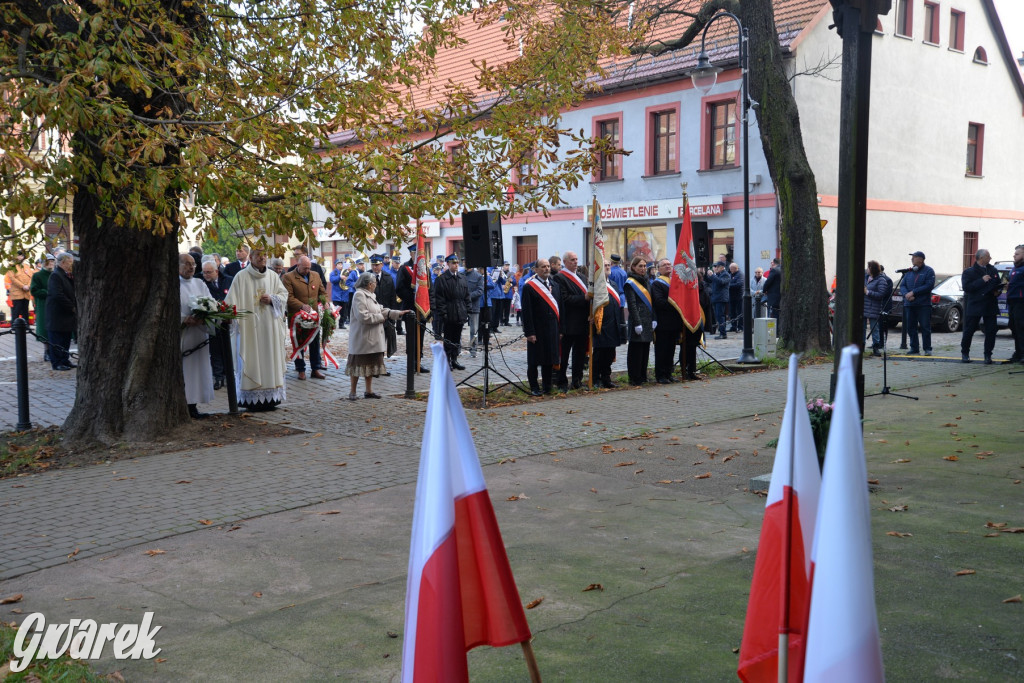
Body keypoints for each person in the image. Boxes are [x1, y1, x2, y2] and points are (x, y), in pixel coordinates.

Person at [225, 247, 288, 411]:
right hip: (249, 329)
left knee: (269, 359)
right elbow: (231, 301)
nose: (262, 258)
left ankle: (271, 399)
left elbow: (284, 295)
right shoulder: (241, 277)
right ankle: (250, 399)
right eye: (259, 255)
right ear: (251, 257)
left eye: (265, 255)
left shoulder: (273, 276)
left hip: (270, 330)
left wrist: (273, 299)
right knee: (252, 358)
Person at [346, 272, 405, 400]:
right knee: (357, 365)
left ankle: (369, 391)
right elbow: (363, 316)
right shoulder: (359, 295)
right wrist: (381, 318)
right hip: (362, 338)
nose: (376, 285)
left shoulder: (371, 295)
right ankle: (353, 392)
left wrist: (397, 313)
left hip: (372, 338)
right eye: (374, 283)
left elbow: (380, 309)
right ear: (369, 284)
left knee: (371, 365)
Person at [179, 254, 215, 418]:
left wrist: (206, 316)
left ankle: (193, 405)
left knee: (198, 372)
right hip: (184, 335)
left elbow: (210, 302)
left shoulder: (200, 283)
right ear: (178, 265)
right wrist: (184, 319)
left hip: (200, 333)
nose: (191, 267)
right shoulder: (173, 284)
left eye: (193, 264)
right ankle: (184, 405)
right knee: (186, 372)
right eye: (187, 264)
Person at [282, 255, 327, 380]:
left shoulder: (315, 275)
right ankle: (301, 370)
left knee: (314, 342)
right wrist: (302, 306)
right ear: (298, 266)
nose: (307, 271)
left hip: (313, 316)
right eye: (305, 268)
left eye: (309, 268)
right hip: (297, 315)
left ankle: (315, 369)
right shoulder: (288, 277)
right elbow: (288, 297)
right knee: (298, 343)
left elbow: (322, 292)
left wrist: (326, 302)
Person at [521, 258, 561, 395]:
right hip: (537, 329)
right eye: (543, 267)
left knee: (549, 359)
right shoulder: (529, 287)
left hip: (552, 328)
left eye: (548, 266)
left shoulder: (555, 286)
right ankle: (534, 387)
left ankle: (547, 386)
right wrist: (529, 332)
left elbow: (560, 309)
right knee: (534, 360)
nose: (547, 269)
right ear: (536, 269)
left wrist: (560, 329)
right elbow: (527, 312)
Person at [554, 251, 592, 391]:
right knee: (564, 355)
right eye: (572, 260)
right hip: (568, 322)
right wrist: (584, 298)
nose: (575, 262)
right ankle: (562, 382)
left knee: (580, 355)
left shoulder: (582, 277)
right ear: (565, 262)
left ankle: (577, 380)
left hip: (583, 322)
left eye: (576, 259)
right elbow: (564, 299)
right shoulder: (560, 278)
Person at [959, 249, 1002, 364]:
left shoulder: (993, 269)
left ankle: (988, 355)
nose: (990, 258)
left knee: (991, 331)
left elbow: (998, 283)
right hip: (975, 304)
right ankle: (965, 353)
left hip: (990, 304)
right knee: (969, 330)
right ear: (981, 258)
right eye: (988, 256)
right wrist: (981, 281)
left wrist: (998, 291)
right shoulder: (969, 272)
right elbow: (967, 288)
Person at [395, 245, 430, 373]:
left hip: (422, 309)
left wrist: (428, 306)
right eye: (416, 253)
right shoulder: (404, 268)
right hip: (410, 308)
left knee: (420, 336)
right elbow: (399, 288)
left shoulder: (424, 269)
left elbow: (428, 289)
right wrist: (413, 298)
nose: (418, 255)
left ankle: (418, 361)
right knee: (411, 337)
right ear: (411, 254)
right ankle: (412, 362)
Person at [433, 254, 471, 370]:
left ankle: (454, 359)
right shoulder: (442, 279)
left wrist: (468, 310)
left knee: (457, 337)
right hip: (449, 311)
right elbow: (439, 298)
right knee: (448, 338)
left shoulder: (462, 278)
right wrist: (443, 313)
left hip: (460, 311)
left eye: (457, 263)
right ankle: (447, 360)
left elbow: (467, 296)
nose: (456, 265)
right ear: (448, 264)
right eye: (453, 263)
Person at [202, 259, 234, 389]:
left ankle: (229, 375)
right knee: (215, 351)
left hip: (228, 321)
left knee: (228, 350)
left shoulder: (228, 280)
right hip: (212, 322)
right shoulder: (202, 283)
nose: (206, 275)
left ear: (216, 271)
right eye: (204, 272)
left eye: (209, 272)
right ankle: (218, 377)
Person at [623, 255, 654, 385]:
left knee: (645, 348)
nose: (643, 268)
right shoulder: (630, 283)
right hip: (638, 319)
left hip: (648, 318)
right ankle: (634, 377)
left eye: (644, 266)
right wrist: (637, 322)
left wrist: (654, 318)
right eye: (640, 266)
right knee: (636, 350)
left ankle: (642, 375)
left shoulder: (646, 280)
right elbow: (632, 304)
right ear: (633, 267)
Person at [651, 258, 682, 384]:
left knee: (671, 349)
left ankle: (669, 373)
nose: (668, 266)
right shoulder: (656, 284)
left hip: (674, 322)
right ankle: (661, 375)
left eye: (669, 264)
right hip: (663, 323)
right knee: (662, 350)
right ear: (658, 269)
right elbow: (659, 302)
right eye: (664, 265)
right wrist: (676, 304)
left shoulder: (674, 282)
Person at [899, 250, 935, 356]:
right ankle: (914, 348)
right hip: (909, 304)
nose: (912, 259)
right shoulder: (909, 271)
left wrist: (913, 292)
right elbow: (902, 285)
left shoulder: (929, 271)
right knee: (911, 327)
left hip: (923, 305)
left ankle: (927, 348)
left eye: (914, 257)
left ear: (920, 259)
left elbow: (929, 285)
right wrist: (906, 294)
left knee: (925, 327)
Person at [591, 278, 625, 389]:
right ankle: (595, 379)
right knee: (599, 354)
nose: (607, 267)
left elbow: (617, 303)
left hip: (613, 322)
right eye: (605, 265)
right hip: (601, 323)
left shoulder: (613, 284)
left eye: (608, 265)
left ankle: (606, 378)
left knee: (610, 354)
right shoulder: (595, 284)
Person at [46, 252, 76, 371]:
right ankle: (57, 362)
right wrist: (71, 306)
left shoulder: (67, 275)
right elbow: (57, 294)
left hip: (66, 315)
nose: (71, 265)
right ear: (63, 262)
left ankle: (64, 359)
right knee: (57, 339)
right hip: (57, 314)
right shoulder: (56, 275)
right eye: (69, 262)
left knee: (65, 339)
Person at [370, 255, 398, 362]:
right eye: (373, 265)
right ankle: (374, 364)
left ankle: (380, 364)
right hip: (373, 313)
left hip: (385, 314)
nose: (375, 267)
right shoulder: (367, 276)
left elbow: (392, 297)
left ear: (382, 265)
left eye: (377, 265)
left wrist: (392, 316)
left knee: (383, 340)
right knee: (374, 341)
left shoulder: (388, 277)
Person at [863, 260, 892, 357]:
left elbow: (881, 294)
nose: (867, 269)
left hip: (874, 308)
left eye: (868, 267)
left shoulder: (881, 280)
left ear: (872, 269)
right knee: (862, 328)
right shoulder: (866, 278)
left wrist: (868, 292)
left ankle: (876, 347)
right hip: (864, 307)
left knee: (874, 328)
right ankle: (861, 346)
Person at [30, 254, 55, 362]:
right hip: (44, 304)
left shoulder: (55, 274)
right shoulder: (37, 276)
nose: (50, 263)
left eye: (52, 261)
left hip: (56, 304)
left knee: (56, 328)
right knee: (44, 328)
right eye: (48, 261)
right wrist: (48, 293)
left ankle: (56, 351)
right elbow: (34, 290)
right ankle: (47, 351)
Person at [4, 250, 35, 322]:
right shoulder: (11, 267)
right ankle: (14, 327)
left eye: (21, 255)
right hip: (16, 293)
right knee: (16, 311)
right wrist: (23, 286)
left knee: (25, 311)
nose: (20, 257)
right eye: (18, 255)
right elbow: (12, 279)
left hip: (26, 293)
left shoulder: (27, 266)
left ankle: (26, 326)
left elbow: (31, 277)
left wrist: (28, 285)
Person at [1006, 244, 1024, 364]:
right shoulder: (1014, 268)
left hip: (1021, 302)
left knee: (1021, 328)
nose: (1014, 256)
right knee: (1013, 328)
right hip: (1011, 302)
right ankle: (1017, 353)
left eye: (1017, 254)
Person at [705, 261, 731, 339]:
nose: (715, 268)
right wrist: (706, 273)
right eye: (715, 267)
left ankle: (723, 333)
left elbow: (721, 282)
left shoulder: (725, 274)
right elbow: (709, 280)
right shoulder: (717, 275)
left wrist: (712, 275)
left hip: (721, 298)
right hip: (716, 298)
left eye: (717, 266)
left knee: (720, 316)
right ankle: (721, 332)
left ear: (722, 267)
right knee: (718, 316)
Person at [464, 264, 485, 358]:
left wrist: (468, 296)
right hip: (461, 305)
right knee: (458, 327)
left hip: (474, 306)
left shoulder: (478, 276)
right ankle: (457, 349)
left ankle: (473, 349)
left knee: (474, 329)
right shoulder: (460, 274)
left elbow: (480, 291)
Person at [329, 260, 352, 329]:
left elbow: (350, 280)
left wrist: (350, 272)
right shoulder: (333, 272)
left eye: (341, 264)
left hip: (344, 295)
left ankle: (341, 324)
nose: (340, 265)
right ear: (336, 265)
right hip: (337, 295)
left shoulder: (346, 272)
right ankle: (333, 324)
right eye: (339, 264)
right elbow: (332, 280)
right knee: (335, 311)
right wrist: (340, 277)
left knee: (344, 312)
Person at [728, 263, 744, 332]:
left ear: (735, 268)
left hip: (739, 296)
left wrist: (729, 285)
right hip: (732, 296)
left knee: (739, 312)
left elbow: (739, 284)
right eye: (730, 269)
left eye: (731, 269)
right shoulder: (731, 274)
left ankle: (740, 327)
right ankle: (733, 326)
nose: (730, 270)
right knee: (732, 312)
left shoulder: (740, 274)